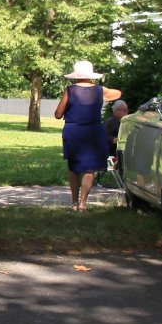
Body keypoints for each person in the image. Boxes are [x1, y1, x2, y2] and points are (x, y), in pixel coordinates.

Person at [53, 60, 122, 211]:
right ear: (91, 75)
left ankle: (74, 203)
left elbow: (58, 114)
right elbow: (117, 93)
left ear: (76, 75)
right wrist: (102, 93)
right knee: (90, 169)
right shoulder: (100, 90)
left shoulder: (70, 91)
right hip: (94, 132)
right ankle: (83, 203)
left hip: (73, 132)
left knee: (73, 168)